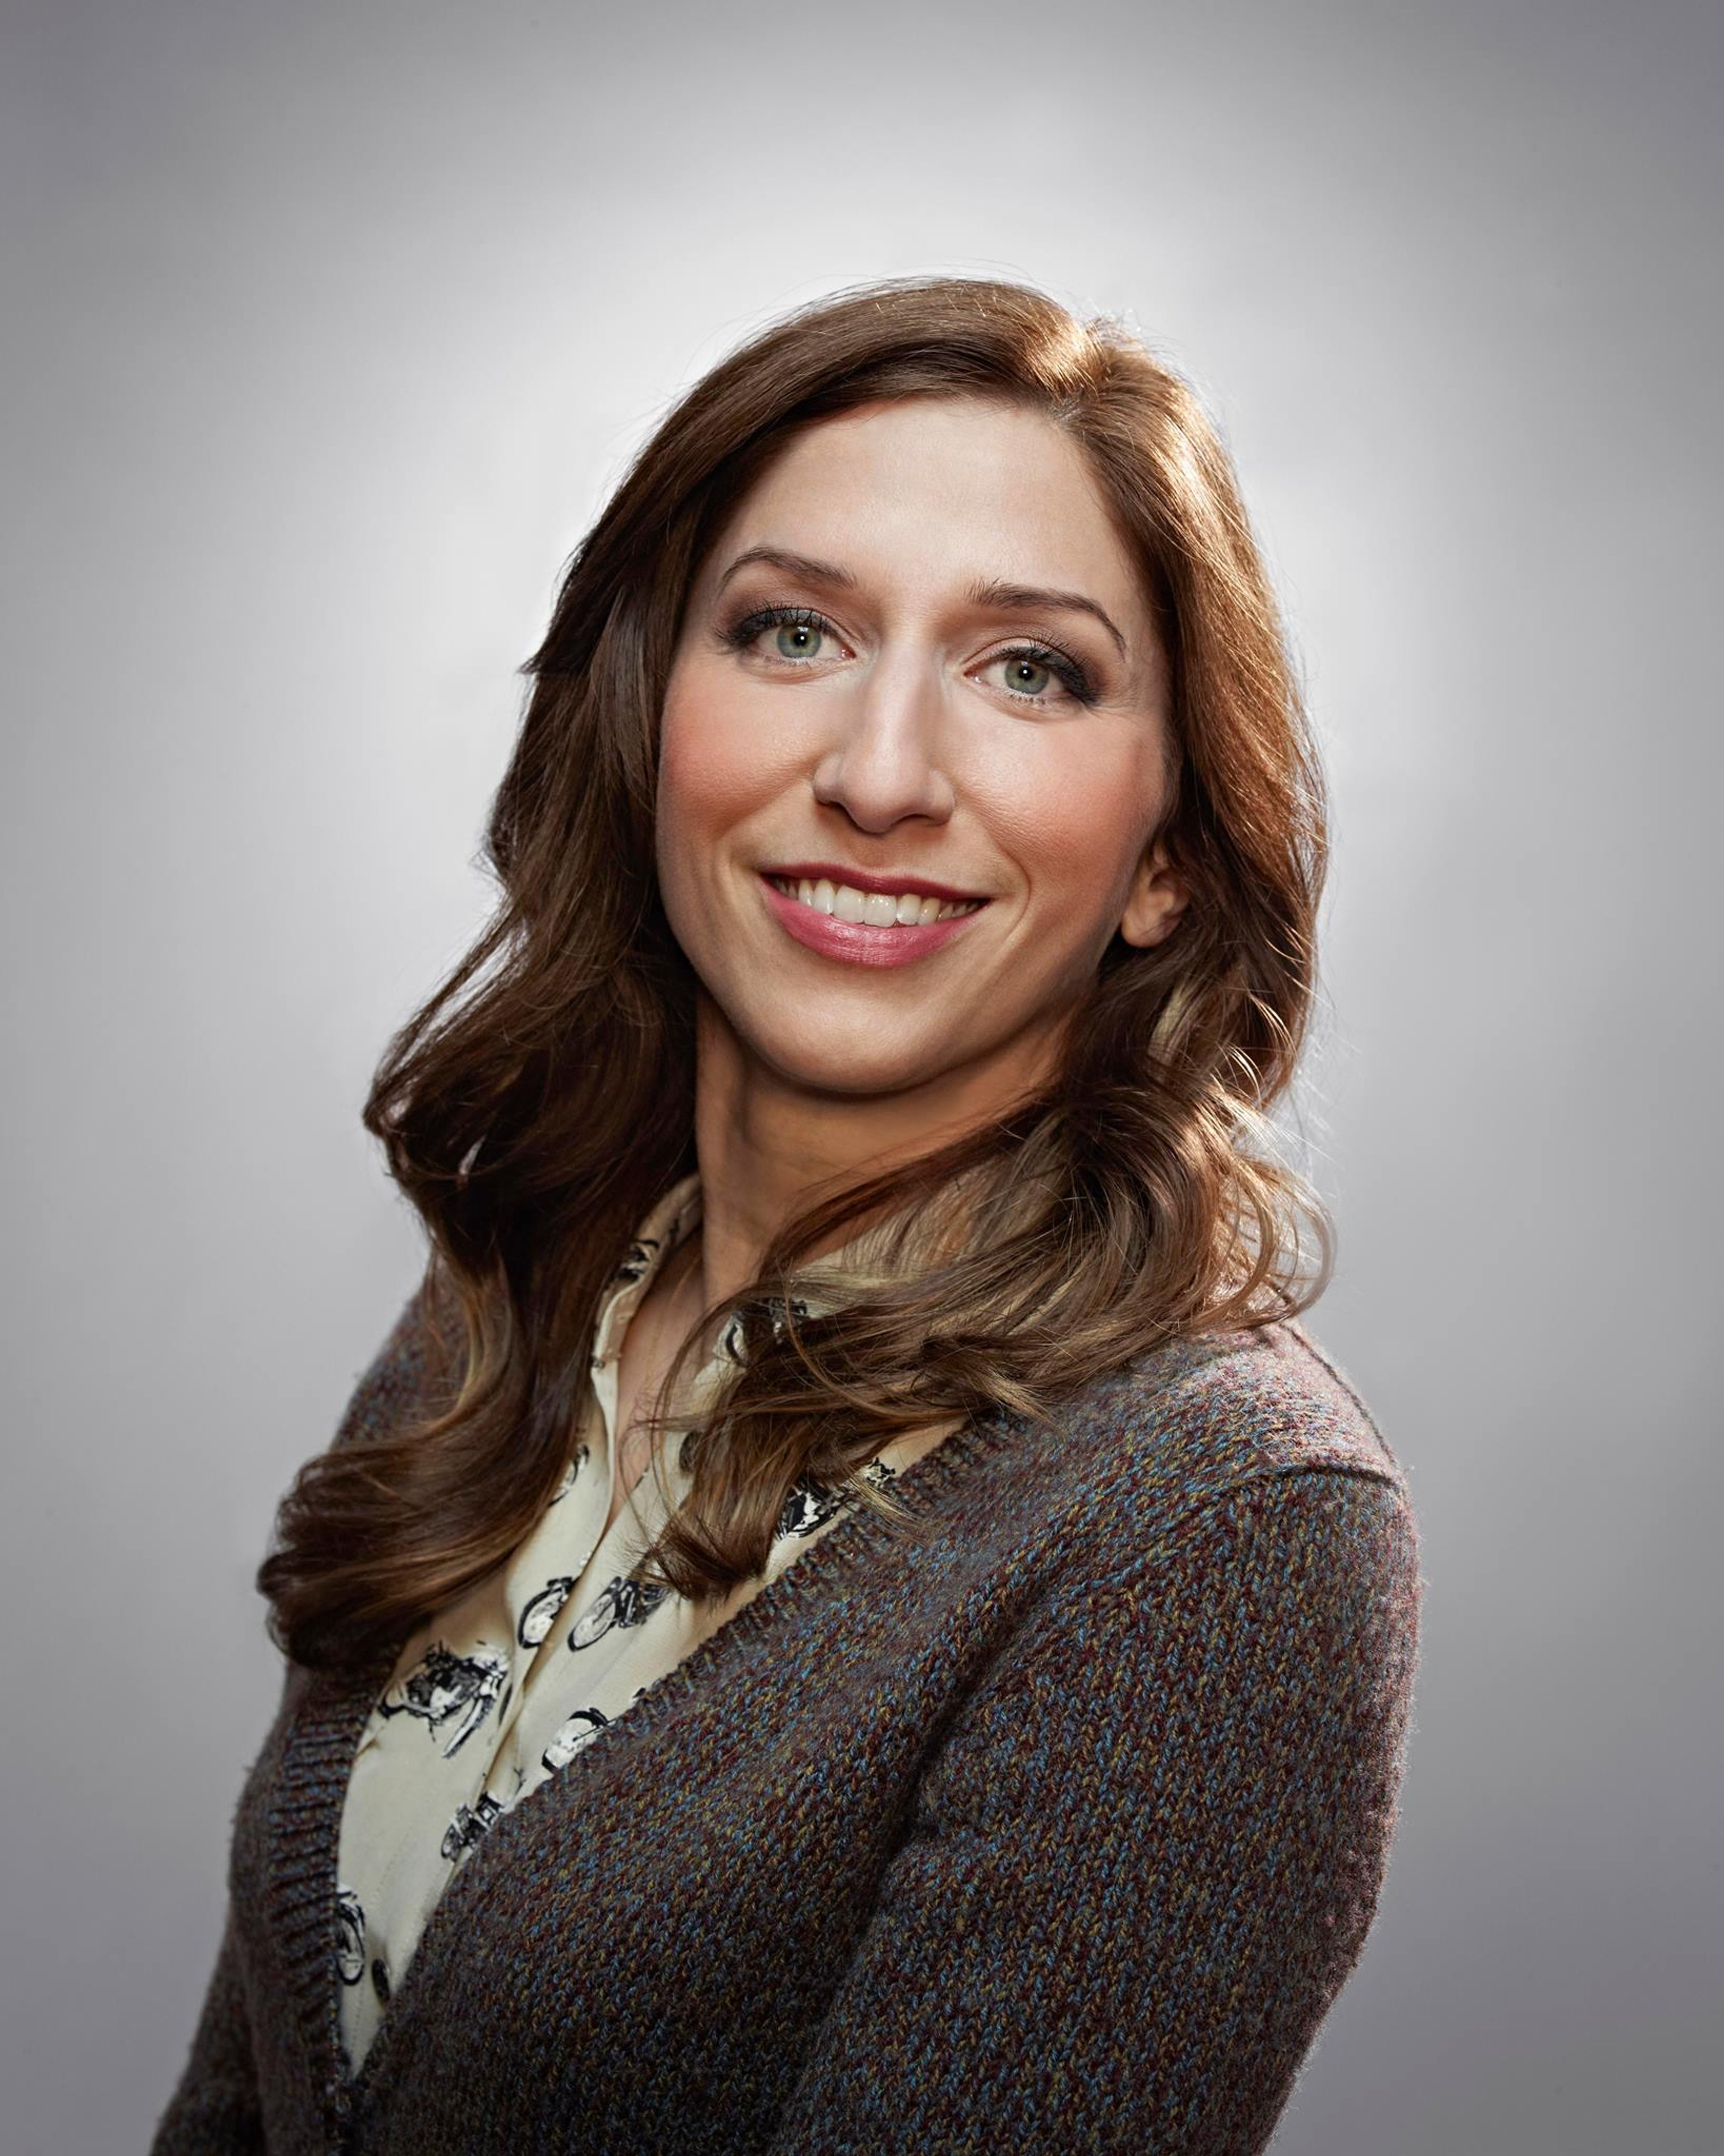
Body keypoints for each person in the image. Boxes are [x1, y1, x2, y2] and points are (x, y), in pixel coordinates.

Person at [150, 273, 1423, 2156]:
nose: (882, 774)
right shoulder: (519, 1303)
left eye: (1032, 670)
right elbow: (244, 2103)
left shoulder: (1218, 1529)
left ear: (1167, 852)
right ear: (652, 717)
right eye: (793, 632)